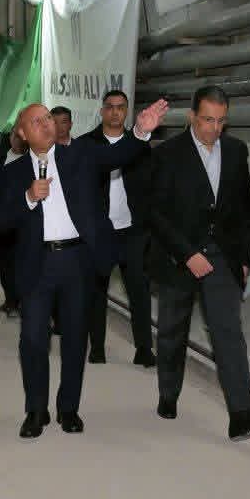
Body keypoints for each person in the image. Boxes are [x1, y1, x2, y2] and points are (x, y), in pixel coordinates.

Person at [0, 99, 167, 438]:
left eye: (48, 118)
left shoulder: (80, 155)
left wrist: (140, 132)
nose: (46, 124)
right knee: (33, 339)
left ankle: (68, 408)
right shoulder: (12, 173)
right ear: (23, 134)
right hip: (37, 263)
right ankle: (36, 410)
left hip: (77, 260)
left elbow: (118, 155)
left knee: (75, 337)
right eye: (37, 122)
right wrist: (28, 197)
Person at [145, 86, 250, 442]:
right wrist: (187, 254)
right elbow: (155, 213)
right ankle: (168, 394)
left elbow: (246, 210)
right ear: (192, 117)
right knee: (172, 331)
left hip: (222, 257)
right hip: (179, 256)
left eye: (220, 121)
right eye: (207, 120)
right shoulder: (168, 153)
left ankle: (242, 417)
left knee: (228, 332)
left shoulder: (235, 151)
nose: (214, 129)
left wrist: (243, 258)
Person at [79, 89, 155, 368]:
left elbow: (150, 187)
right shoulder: (86, 145)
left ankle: (144, 348)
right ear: (102, 111)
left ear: (127, 111)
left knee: (139, 290)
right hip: (100, 231)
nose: (115, 112)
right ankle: (97, 347)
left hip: (132, 230)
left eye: (120, 107)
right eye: (110, 106)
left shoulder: (141, 145)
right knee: (97, 291)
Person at [0, 122, 28, 316]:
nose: (17, 139)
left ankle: (22, 300)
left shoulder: (31, 161)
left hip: (24, 220)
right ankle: (10, 300)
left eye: (20, 135)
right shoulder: (0, 159)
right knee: (5, 262)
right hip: (3, 220)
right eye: (14, 135)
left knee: (22, 263)